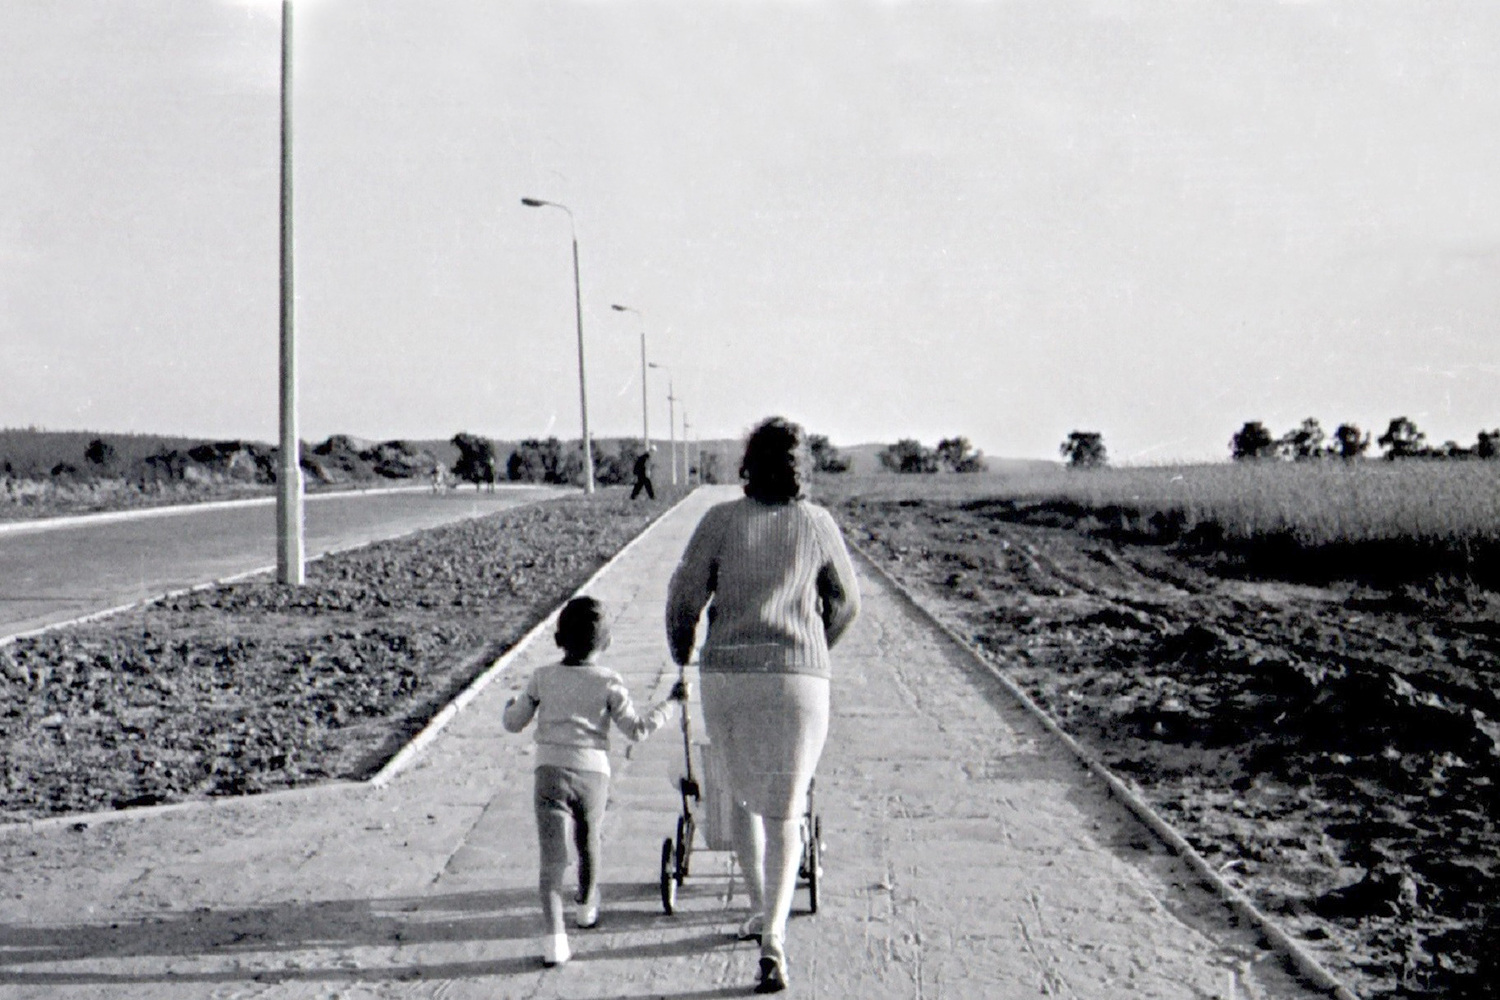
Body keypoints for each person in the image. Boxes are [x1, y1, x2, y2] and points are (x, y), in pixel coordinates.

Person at [664, 416, 861, 994]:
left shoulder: (719, 521)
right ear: (804, 468)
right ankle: (774, 933)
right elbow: (846, 602)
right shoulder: (818, 523)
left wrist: (683, 651)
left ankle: (758, 908)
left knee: (740, 794)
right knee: (787, 806)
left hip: (727, 675)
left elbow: (684, 597)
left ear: (748, 463)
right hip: (799, 681)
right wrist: (815, 647)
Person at [503, 595, 686, 967]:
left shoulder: (542, 677)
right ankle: (586, 907)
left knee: (552, 860)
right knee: (588, 842)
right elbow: (636, 729)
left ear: (558, 640)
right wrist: (670, 703)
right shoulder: (608, 681)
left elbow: (513, 722)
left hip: (550, 774)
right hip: (593, 775)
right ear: (607, 643)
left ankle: (555, 940)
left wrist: (509, 705)